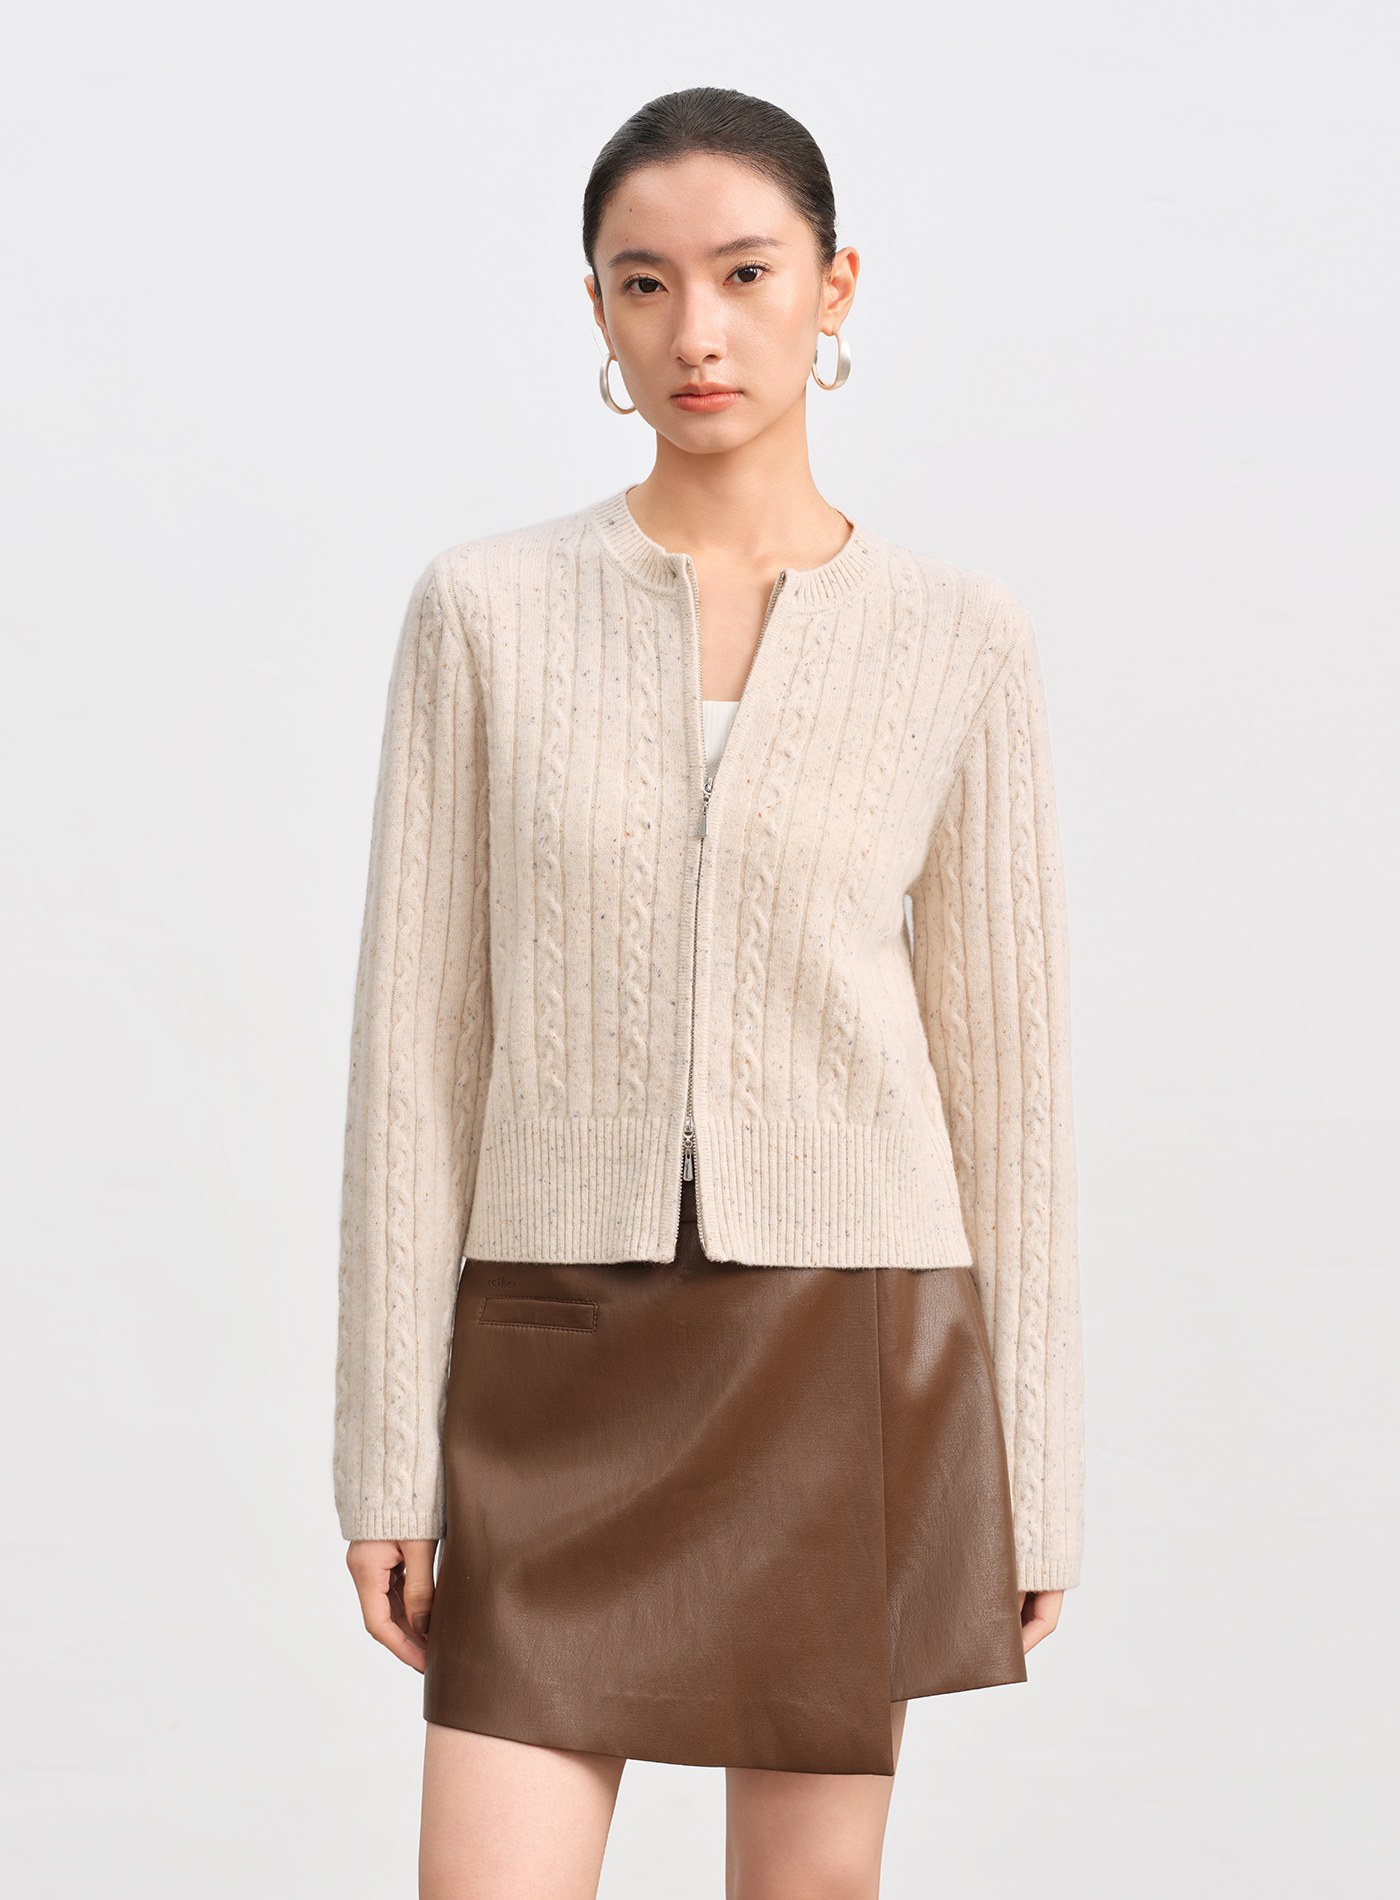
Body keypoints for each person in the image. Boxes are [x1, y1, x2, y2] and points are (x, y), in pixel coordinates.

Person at [333, 85, 1085, 1900]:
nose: (697, 332)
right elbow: (415, 1056)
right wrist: (382, 1457)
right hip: (550, 1338)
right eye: (644, 282)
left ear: (835, 286)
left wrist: (1037, 1472)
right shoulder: (484, 613)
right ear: (596, 306)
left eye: (746, 274)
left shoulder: (958, 635)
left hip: (845, 1343)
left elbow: (1011, 1085)